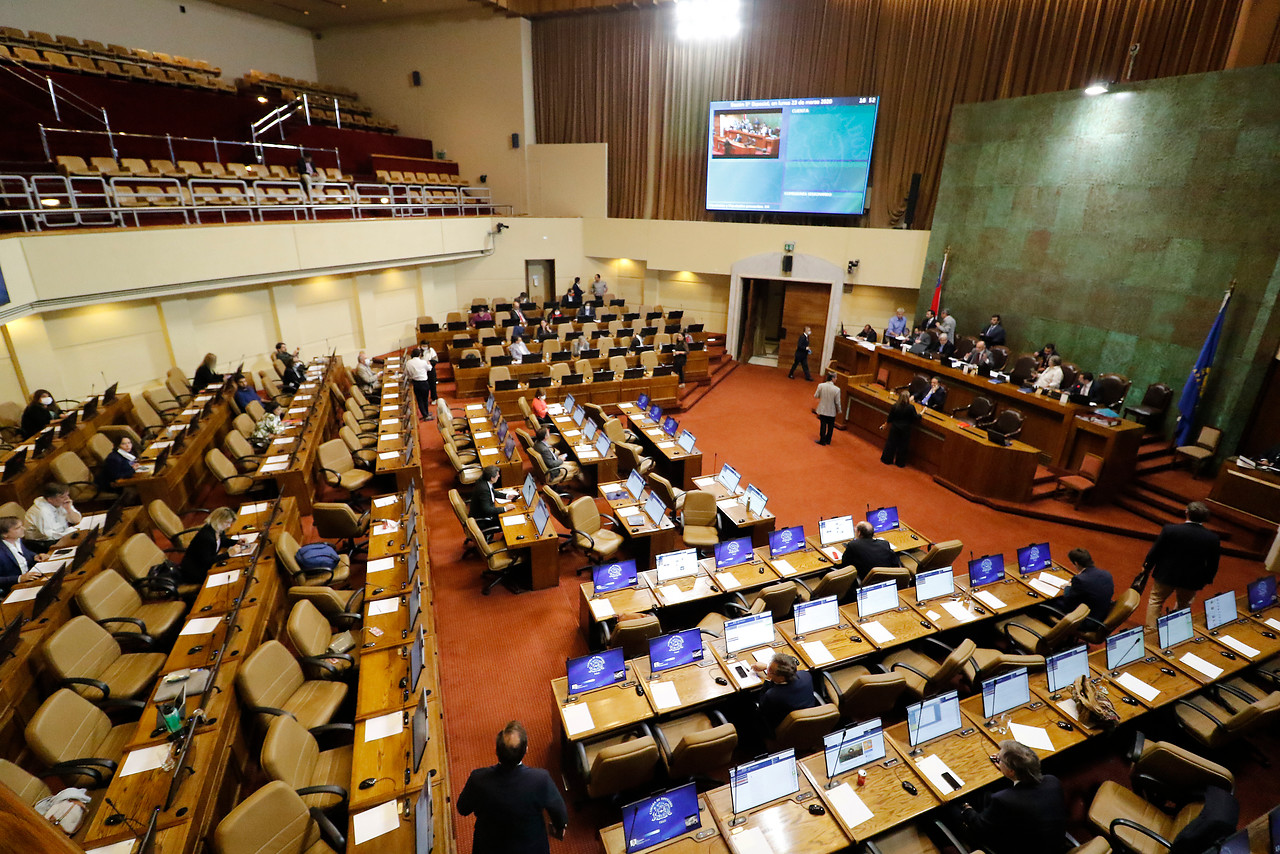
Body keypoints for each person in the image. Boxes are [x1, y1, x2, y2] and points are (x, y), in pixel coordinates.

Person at [457, 721, 567, 854]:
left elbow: (462, 809)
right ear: (526, 750)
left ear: (496, 751)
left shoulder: (478, 779)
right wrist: (559, 827)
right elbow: (559, 813)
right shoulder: (540, 780)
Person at [959, 740, 1066, 854]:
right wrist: (1006, 770)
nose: (998, 760)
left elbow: (979, 825)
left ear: (1011, 771)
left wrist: (966, 807)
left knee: (954, 810)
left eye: (1000, 760)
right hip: (1054, 845)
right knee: (987, 795)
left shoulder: (1003, 799)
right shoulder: (1052, 780)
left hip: (1019, 848)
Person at [1144, 501, 1220, 631]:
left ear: (1187, 513)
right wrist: (1207, 579)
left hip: (1166, 574)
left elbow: (1157, 550)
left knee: (1156, 600)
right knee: (1184, 605)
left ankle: (1150, 631)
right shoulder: (1212, 538)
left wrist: (1147, 566)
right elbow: (1213, 562)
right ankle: (1174, 631)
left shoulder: (1170, 530)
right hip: (1192, 579)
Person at [752, 653, 818, 738]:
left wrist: (768, 678)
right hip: (809, 721)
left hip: (782, 728)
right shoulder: (806, 675)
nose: (768, 672)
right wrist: (766, 667)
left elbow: (762, 706)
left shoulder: (773, 695)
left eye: (770, 671)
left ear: (781, 678)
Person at [178, 507, 240, 587]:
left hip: (205, 565)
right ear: (218, 520)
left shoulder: (217, 530)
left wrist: (237, 542)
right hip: (196, 571)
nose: (228, 526)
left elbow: (222, 541)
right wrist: (228, 554)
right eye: (227, 523)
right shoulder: (206, 537)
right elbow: (207, 561)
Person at [1059, 548, 1115, 623]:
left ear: (1076, 563)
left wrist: (1068, 587)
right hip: (1101, 616)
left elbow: (1068, 601)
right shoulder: (1107, 574)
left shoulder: (1080, 579)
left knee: (1046, 604)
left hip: (1086, 620)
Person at [23, 482, 82, 552]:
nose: (67, 498)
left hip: (61, 535)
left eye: (67, 495)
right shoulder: (41, 511)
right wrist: (69, 532)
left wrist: (69, 509)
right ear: (50, 499)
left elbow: (76, 520)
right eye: (62, 497)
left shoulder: (63, 502)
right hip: (42, 544)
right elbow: (49, 535)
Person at [836, 520, 901, 578]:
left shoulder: (853, 545)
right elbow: (895, 563)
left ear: (859, 533)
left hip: (865, 581)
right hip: (886, 578)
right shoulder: (884, 544)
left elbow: (844, 564)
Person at [0, 517, 46, 592]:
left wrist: (36, 556)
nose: (23, 529)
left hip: (32, 578)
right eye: (17, 528)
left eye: (21, 526)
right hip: (14, 588)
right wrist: (20, 578)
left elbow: (25, 553)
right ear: (5, 534)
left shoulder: (18, 540)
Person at [880, 390, 920, 466]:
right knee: (903, 446)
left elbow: (890, 418)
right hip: (905, 429)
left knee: (891, 444)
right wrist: (920, 415)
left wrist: (885, 425)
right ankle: (900, 463)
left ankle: (886, 459)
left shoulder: (895, 406)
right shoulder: (911, 407)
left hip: (895, 428)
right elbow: (915, 417)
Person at [471, 466, 513, 535]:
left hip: (482, 512)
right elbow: (487, 510)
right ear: (492, 478)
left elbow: (492, 492)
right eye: (497, 475)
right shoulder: (484, 490)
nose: (499, 476)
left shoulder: (484, 481)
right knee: (509, 519)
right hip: (484, 520)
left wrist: (507, 496)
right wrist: (505, 508)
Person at [405, 347, 435, 420]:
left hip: (415, 383)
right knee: (425, 399)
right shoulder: (423, 362)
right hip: (424, 382)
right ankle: (425, 415)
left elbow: (406, 373)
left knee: (419, 399)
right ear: (419, 354)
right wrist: (429, 363)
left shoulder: (408, 363)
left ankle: (425, 413)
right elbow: (429, 368)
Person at [814, 373, 841, 446]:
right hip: (831, 410)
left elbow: (816, 395)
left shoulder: (821, 386)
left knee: (823, 424)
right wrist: (839, 410)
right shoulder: (837, 389)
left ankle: (822, 440)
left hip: (823, 409)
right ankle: (828, 440)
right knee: (830, 426)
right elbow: (837, 402)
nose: (836, 379)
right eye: (835, 378)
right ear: (832, 378)